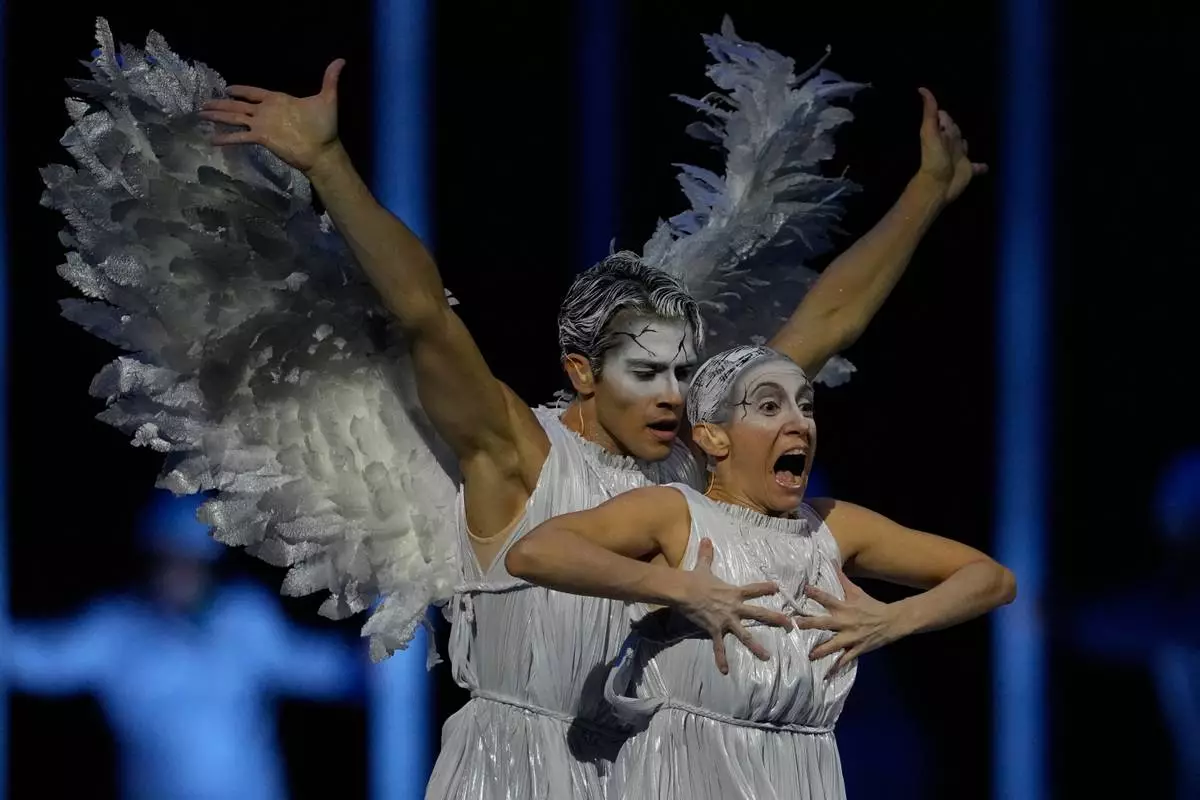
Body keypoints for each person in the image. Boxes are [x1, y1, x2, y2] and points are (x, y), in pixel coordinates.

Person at [52, 20, 983, 800]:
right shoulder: (513, 451)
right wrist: (330, 165)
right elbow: (421, 311)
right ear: (582, 370)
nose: (673, 395)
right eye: (645, 373)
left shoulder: (694, 465)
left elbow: (825, 318)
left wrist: (926, 194)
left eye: (683, 373)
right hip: (516, 770)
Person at [506, 345, 1015, 799]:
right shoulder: (676, 514)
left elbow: (991, 579)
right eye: (770, 406)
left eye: (806, 406)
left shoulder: (833, 525)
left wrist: (895, 619)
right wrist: (677, 586)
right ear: (712, 437)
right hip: (687, 775)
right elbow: (534, 551)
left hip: (807, 774)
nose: (800, 423)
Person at [2, 491, 362, 800]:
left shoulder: (243, 620)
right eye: (167, 560)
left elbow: (322, 667)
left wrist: (385, 660)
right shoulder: (115, 630)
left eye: (189, 562)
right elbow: (37, 658)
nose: (178, 575)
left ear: (208, 567)